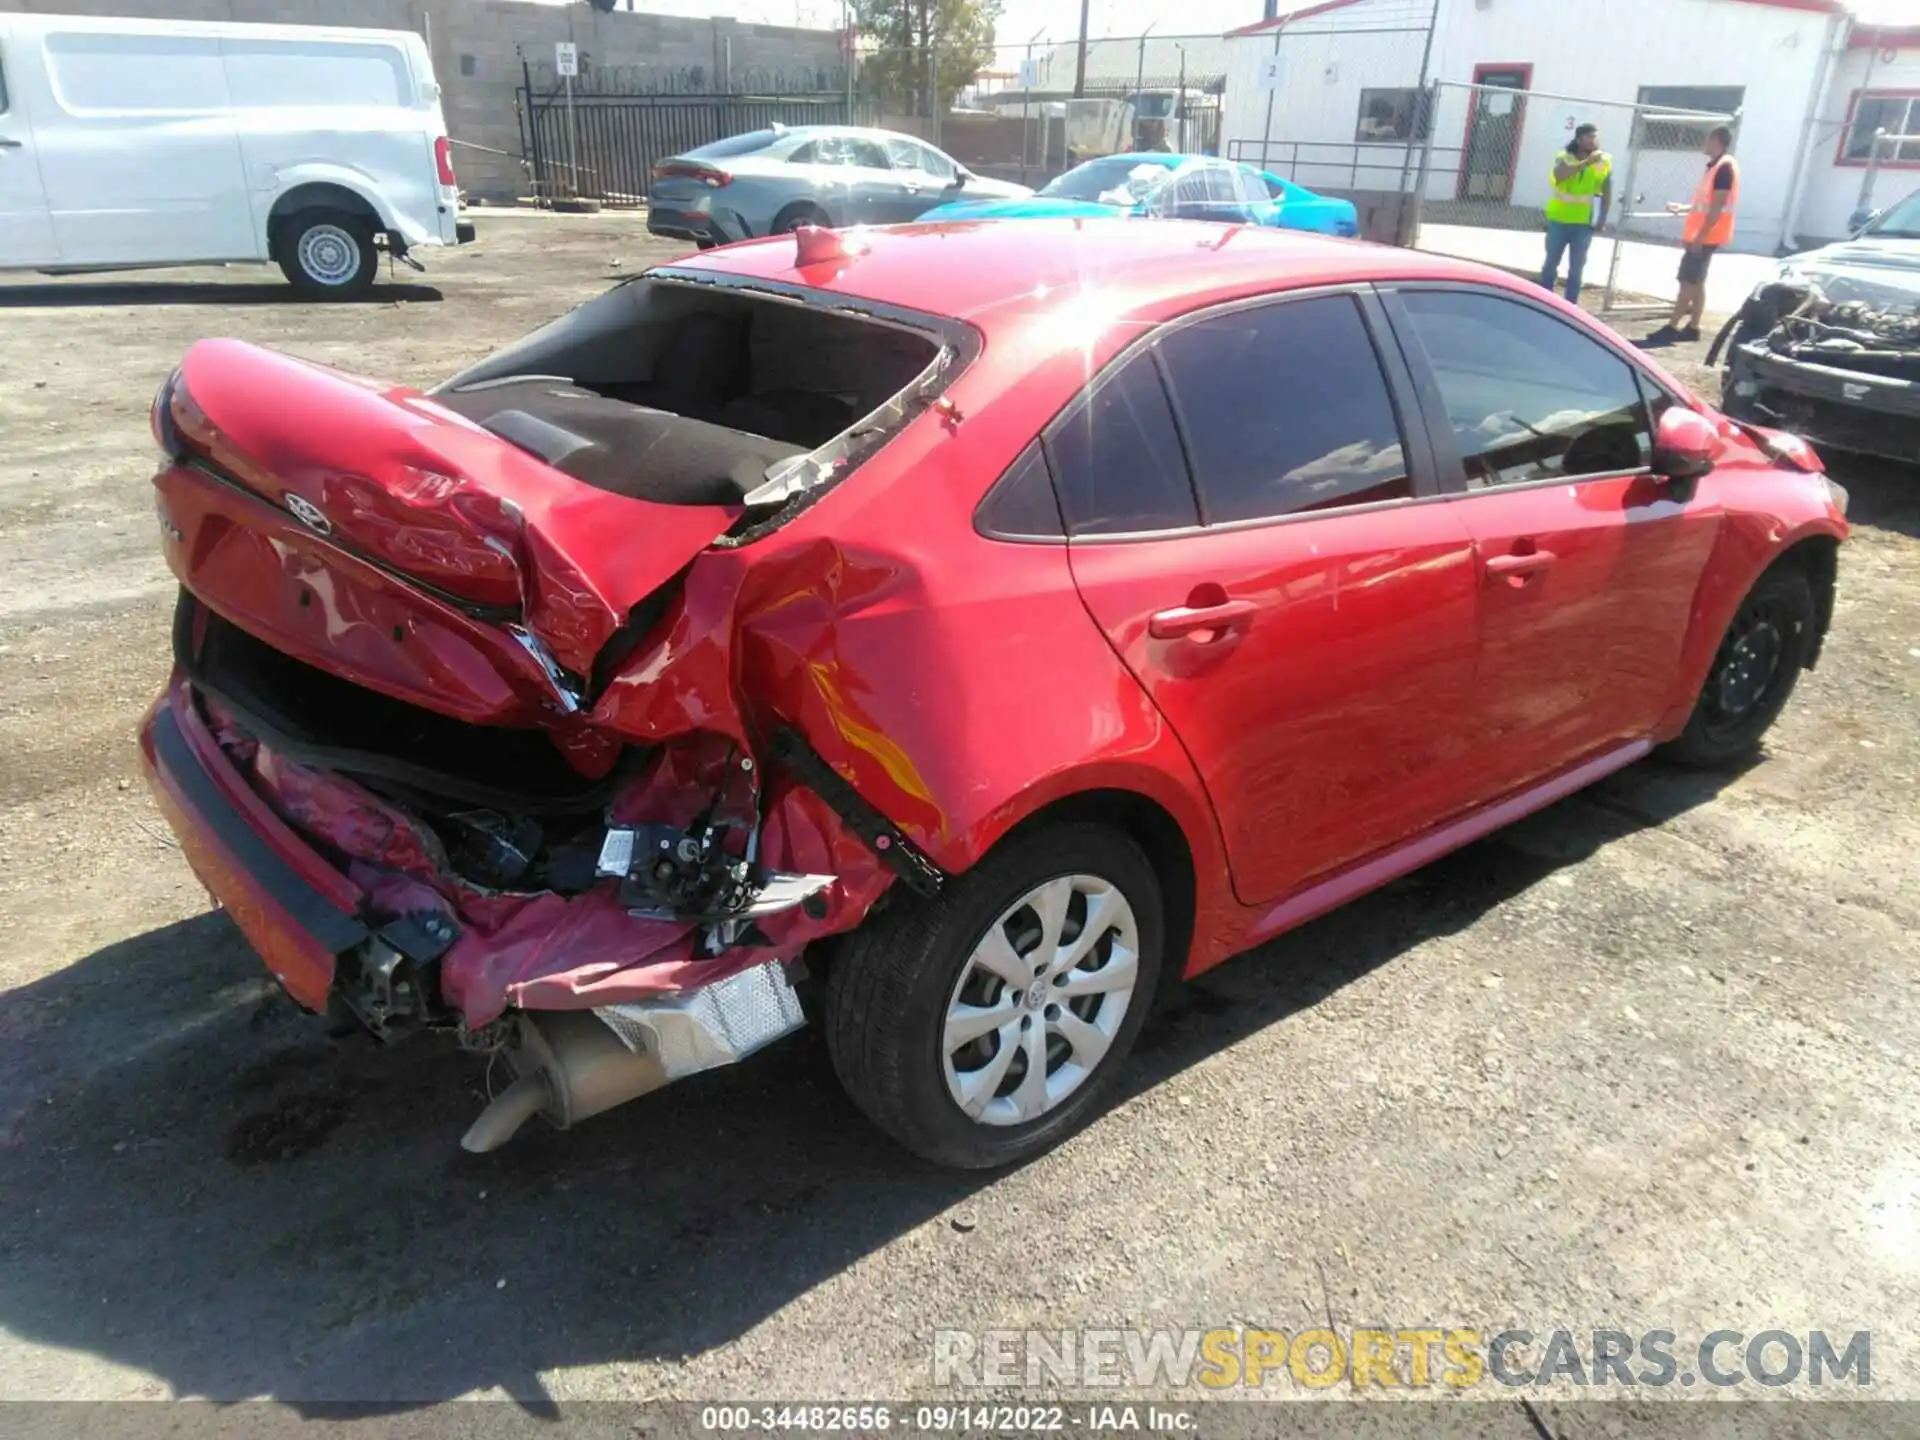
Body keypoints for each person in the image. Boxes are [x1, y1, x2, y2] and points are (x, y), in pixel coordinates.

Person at [1643, 125, 1739, 346]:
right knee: (1697, 281)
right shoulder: (1716, 167)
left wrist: (1700, 237)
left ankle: (1671, 327)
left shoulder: (1724, 168)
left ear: (1716, 141)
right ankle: (1693, 327)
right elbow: (1706, 204)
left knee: (1688, 281)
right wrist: (1684, 208)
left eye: (1708, 139)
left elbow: (1718, 206)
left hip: (1706, 236)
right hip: (1706, 235)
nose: (1704, 143)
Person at [1540, 122, 1612, 305]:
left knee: (1576, 269)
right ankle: (1544, 301)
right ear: (1579, 139)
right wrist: (1586, 163)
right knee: (1550, 264)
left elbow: (1606, 192)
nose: (1594, 140)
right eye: (1590, 136)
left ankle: (1571, 305)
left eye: (1596, 136)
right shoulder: (1565, 156)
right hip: (1559, 220)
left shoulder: (1604, 161)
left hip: (1583, 224)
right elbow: (1559, 176)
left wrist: (1602, 219)